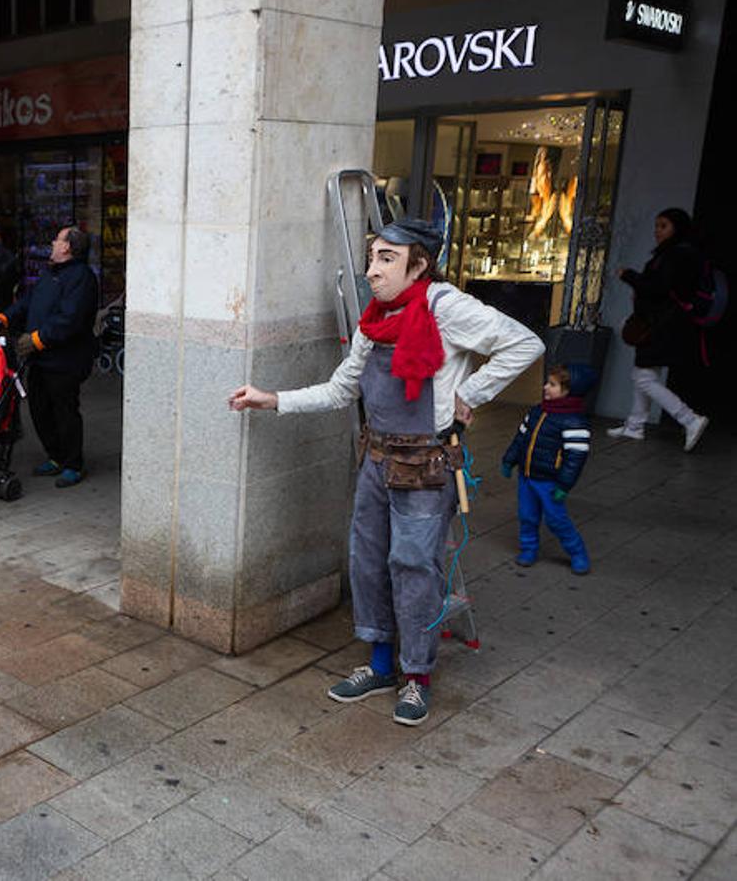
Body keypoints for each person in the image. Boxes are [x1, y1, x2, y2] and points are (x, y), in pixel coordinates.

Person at [227, 218, 543, 726]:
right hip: (375, 459)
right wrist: (271, 400)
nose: (371, 270)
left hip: (425, 464)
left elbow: (524, 344)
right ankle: (378, 666)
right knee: (368, 562)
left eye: (386, 259)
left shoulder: (445, 306)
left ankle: (416, 676)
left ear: (418, 264)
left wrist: (471, 393)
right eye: (371, 257)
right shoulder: (375, 319)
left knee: (415, 569)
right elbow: (339, 390)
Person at [0, 226, 98, 487]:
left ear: (67, 247)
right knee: (40, 410)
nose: (53, 243)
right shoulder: (51, 273)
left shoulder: (82, 278)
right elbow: (28, 302)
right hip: (40, 359)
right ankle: (55, 456)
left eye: (57, 240)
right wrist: (3, 319)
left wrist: (37, 340)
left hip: (65, 360)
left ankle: (73, 463)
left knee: (64, 412)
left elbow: (70, 320)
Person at [608, 207, 711, 451]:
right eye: (656, 226)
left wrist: (629, 275)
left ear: (677, 228)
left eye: (663, 226)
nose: (657, 231)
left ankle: (690, 419)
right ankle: (635, 425)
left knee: (642, 376)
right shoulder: (679, 253)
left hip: (662, 325)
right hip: (662, 323)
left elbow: (658, 287)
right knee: (645, 373)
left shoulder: (676, 255)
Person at [501, 364, 594, 574]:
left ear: (570, 390)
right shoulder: (536, 411)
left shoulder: (575, 422)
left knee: (556, 520)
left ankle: (577, 552)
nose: (545, 387)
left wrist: (564, 485)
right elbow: (521, 438)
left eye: (552, 384)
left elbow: (575, 459)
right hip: (527, 477)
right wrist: (510, 459)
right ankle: (529, 548)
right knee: (527, 515)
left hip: (549, 482)